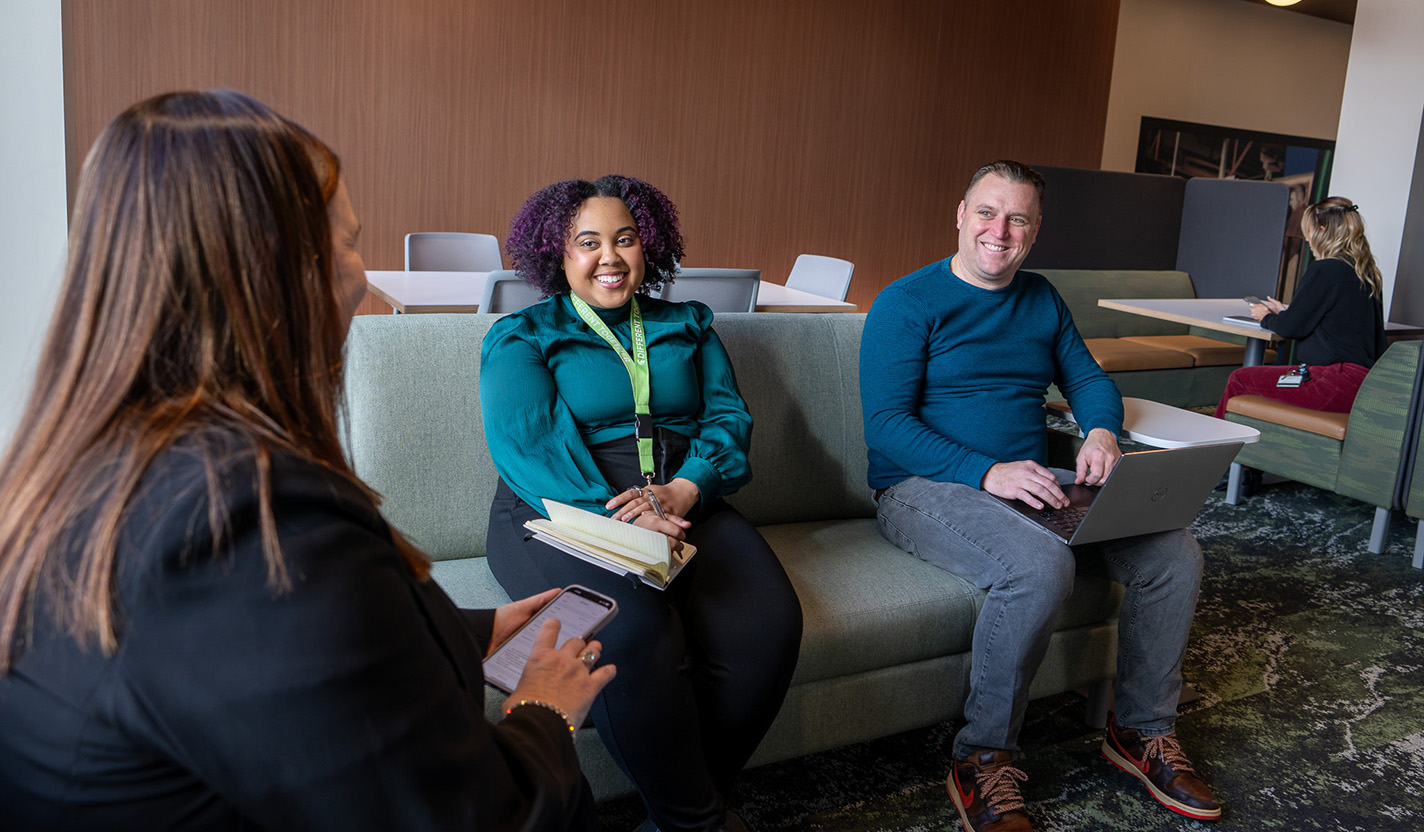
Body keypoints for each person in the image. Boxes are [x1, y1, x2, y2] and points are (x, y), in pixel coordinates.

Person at [0, 90, 614, 831]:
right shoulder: (260, 527)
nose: (364, 287)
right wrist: (545, 711)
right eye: (351, 243)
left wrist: (475, 629)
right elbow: (477, 817)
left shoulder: (84, 467)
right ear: (280, 271)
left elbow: (276, 662)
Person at [860, 161, 1221, 831]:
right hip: (922, 487)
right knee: (1038, 566)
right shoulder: (906, 302)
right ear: (961, 215)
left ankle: (1141, 731)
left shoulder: (1041, 298)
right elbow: (885, 426)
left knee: (1174, 552)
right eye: (988, 213)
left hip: (1032, 481)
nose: (1000, 230)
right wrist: (985, 471)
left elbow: (1088, 380)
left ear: (1035, 231)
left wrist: (1103, 433)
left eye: (1018, 218)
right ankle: (982, 758)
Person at [479, 176, 803, 832]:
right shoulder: (524, 335)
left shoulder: (689, 323)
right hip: (558, 510)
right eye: (588, 242)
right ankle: (700, 820)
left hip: (682, 494)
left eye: (625, 239)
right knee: (632, 629)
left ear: (648, 244)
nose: (610, 257)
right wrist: (619, 518)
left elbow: (728, 417)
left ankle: (679, 813)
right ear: (558, 254)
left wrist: (687, 487)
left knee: (770, 622)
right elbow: (531, 449)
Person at [1213, 196, 1387, 420]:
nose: (1306, 239)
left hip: (1332, 382)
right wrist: (1286, 313)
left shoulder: (1324, 270)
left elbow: (1289, 329)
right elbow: (1333, 321)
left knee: (1240, 378)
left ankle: (1212, 451)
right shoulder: (1367, 273)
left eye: (1309, 231)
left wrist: (1266, 316)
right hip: (1362, 385)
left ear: (1322, 230)